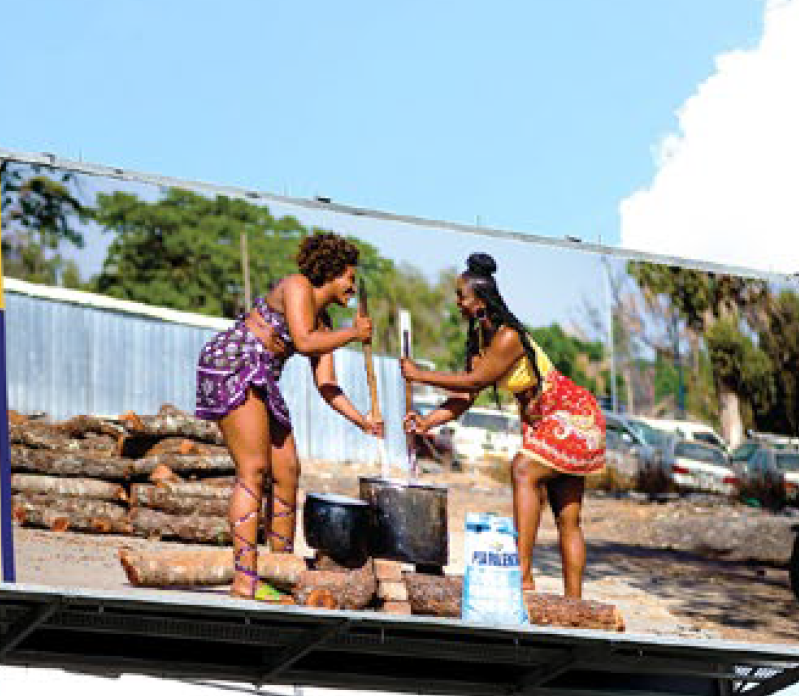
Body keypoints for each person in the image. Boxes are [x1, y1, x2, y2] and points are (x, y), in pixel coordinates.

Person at [402, 253, 608, 598]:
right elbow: (465, 396)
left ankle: (528, 581)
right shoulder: (480, 343)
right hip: (544, 421)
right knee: (565, 516)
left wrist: (420, 375)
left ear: (480, 301)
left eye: (461, 297)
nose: (457, 303)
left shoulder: (509, 337)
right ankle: (571, 604)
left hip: (571, 415)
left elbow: (475, 380)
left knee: (528, 474)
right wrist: (427, 422)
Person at [195, 231, 382, 600]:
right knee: (254, 470)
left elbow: (326, 384)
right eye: (349, 278)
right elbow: (305, 340)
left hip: (262, 376)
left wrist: (362, 420)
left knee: (287, 471)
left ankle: (278, 572)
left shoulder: (325, 323)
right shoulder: (297, 286)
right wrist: (353, 333)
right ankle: (245, 580)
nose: (352, 288)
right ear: (331, 272)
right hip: (234, 363)